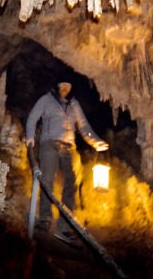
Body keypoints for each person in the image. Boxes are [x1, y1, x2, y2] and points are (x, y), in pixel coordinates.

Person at [25, 81, 109, 239]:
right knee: (47, 179)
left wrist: (96, 142)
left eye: (68, 85)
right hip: (50, 143)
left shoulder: (74, 104)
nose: (65, 88)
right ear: (57, 85)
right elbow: (32, 117)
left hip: (69, 146)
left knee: (72, 182)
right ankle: (45, 218)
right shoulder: (46, 99)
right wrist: (30, 136)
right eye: (63, 85)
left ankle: (66, 224)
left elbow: (84, 126)